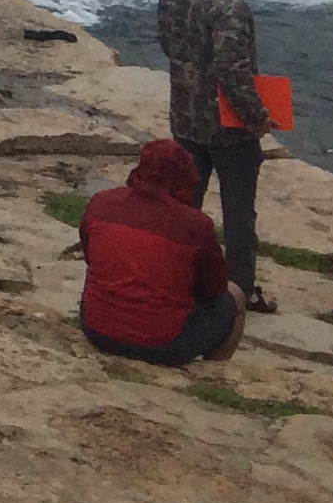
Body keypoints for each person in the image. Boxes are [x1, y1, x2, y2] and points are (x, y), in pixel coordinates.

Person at [159, 0, 280, 312]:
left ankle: (176, 276)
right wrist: (257, 116)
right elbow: (233, 69)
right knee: (239, 213)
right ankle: (239, 291)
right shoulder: (231, 7)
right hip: (229, 129)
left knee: (183, 204)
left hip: (184, 115)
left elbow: (168, 44)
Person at [77, 139, 245, 366]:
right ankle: (211, 376)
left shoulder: (101, 203)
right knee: (235, 296)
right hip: (163, 344)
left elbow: (90, 257)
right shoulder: (195, 224)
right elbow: (215, 289)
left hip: (96, 329)